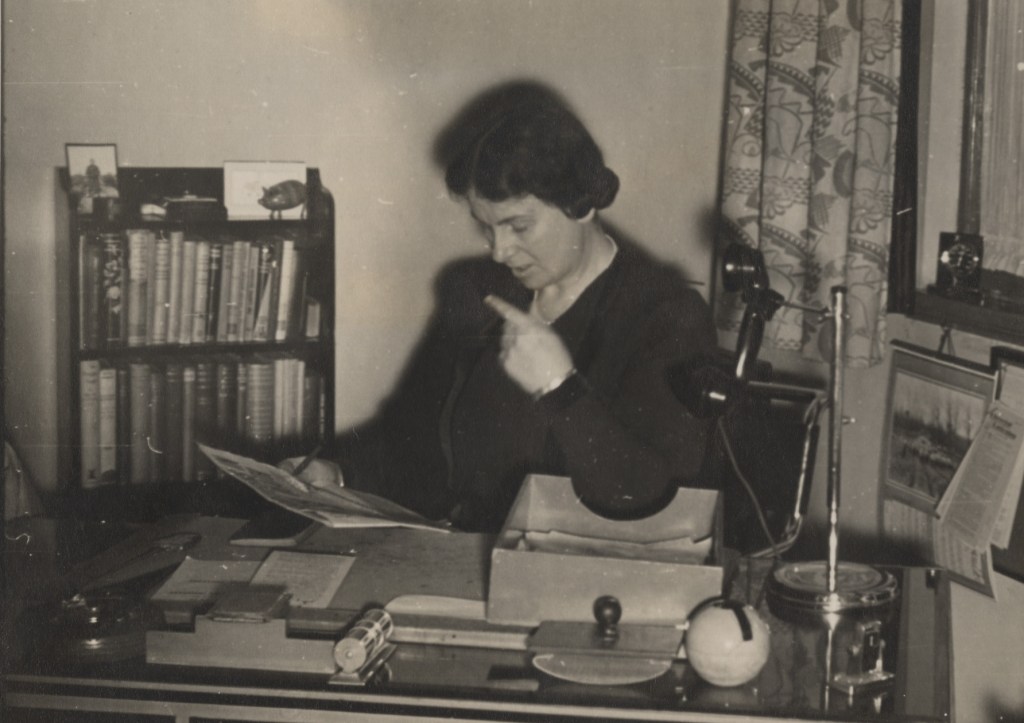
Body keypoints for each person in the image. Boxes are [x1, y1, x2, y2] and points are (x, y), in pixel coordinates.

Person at [288, 83, 717, 532]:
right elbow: (414, 436)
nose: (499, 251)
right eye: (487, 228)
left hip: (583, 574)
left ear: (582, 204)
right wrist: (339, 475)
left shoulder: (665, 316)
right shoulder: (475, 291)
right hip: (460, 553)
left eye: (519, 226)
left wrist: (560, 388)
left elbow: (648, 497)